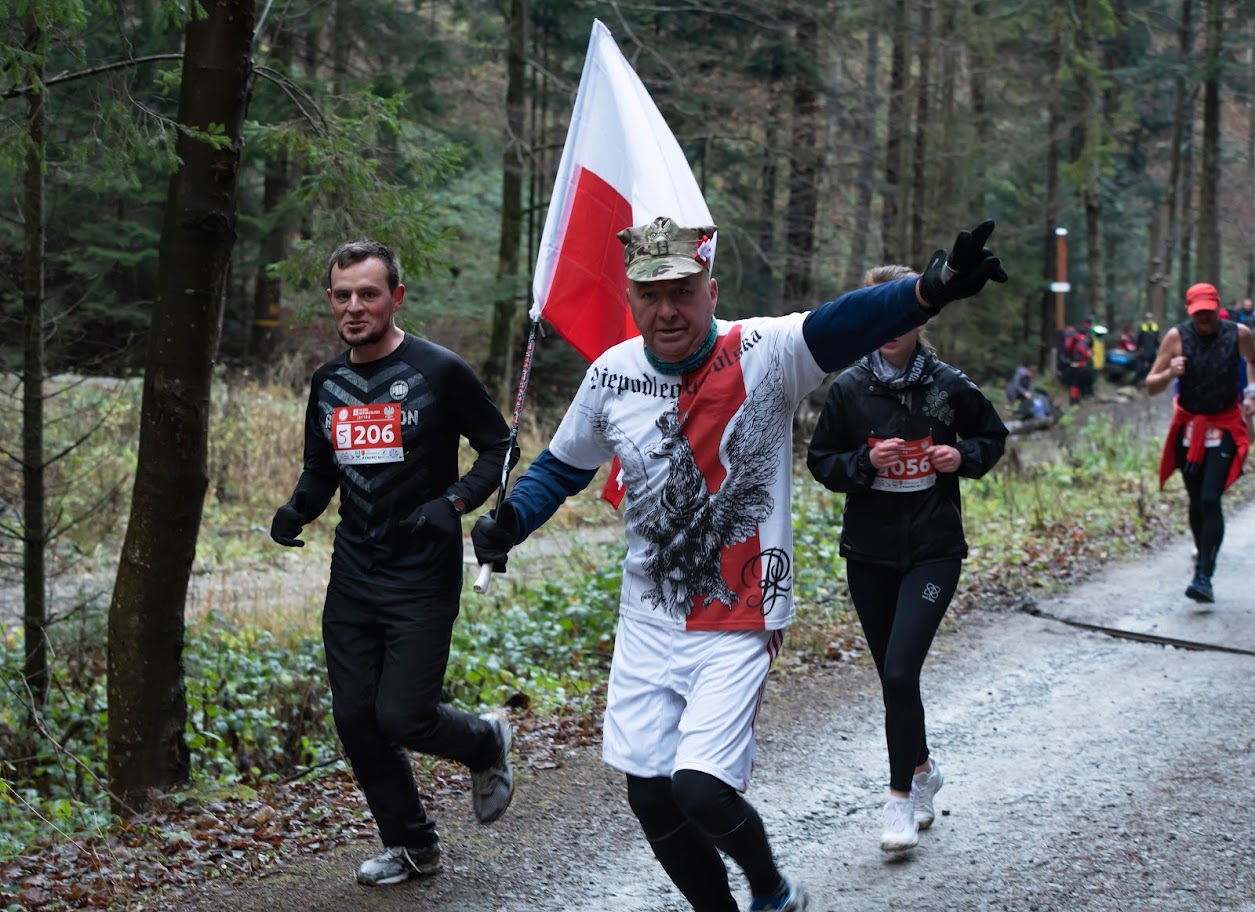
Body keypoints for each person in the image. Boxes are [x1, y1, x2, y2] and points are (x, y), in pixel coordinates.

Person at [471, 217, 1007, 911]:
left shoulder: (761, 351)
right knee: (650, 796)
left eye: (682, 292)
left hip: (739, 610)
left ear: (710, 290)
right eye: (649, 295)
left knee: (697, 787)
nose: (666, 310)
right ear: (630, 300)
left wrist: (928, 290)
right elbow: (563, 466)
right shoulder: (612, 374)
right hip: (647, 616)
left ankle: (770, 888)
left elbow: (843, 323)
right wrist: (512, 520)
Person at [269, 238, 517, 886]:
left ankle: (485, 742)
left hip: (422, 572)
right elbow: (322, 468)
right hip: (353, 571)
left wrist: (455, 500)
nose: (354, 306)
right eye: (343, 295)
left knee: (402, 715)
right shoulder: (328, 382)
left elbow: (499, 446)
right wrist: (298, 508)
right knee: (356, 718)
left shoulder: (439, 371)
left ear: (395, 297)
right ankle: (412, 847)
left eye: (368, 293)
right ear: (331, 300)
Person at [804, 264, 1007, 854]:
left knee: (898, 672)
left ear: (919, 318)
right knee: (896, 680)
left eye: (901, 316)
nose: (889, 327)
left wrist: (958, 456)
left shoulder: (950, 386)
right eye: (879, 315)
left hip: (933, 552)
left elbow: (992, 439)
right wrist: (865, 464)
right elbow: (823, 463)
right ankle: (922, 770)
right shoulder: (848, 389)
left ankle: (897, 800)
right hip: (868, 554)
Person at [1145, 281, 1255, 603]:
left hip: (1223, 424)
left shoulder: (1239, 334)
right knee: (1196, 500)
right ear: (1189, 311)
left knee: (1210, 498)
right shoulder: (1176, 338)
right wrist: (1170, 373)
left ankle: (1204, 573)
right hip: (1189, 429)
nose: (1203, 319)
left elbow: (1253, 361)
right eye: (1198, 314)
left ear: (1217, 307)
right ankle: (1203, 558)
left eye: (1208, 312)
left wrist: (1251, 392)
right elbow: (1151, 385)